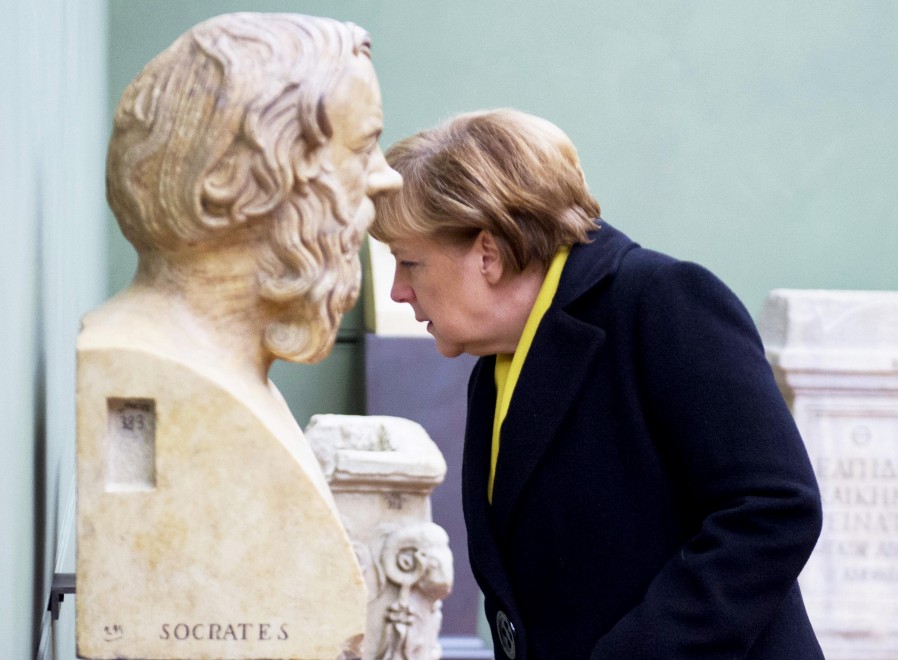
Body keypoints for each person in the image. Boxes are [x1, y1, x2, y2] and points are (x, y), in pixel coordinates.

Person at [370, 108, 823, 659]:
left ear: (488, 252)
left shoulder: (662, 301)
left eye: (409, 263)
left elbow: (774, 508)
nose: (398, 290)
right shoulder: (499, 361)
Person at [77, 13, 402, 658]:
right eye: (363, 146)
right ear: (237, 179)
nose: (385, 176)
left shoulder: (235, 374)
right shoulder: (150, 368)